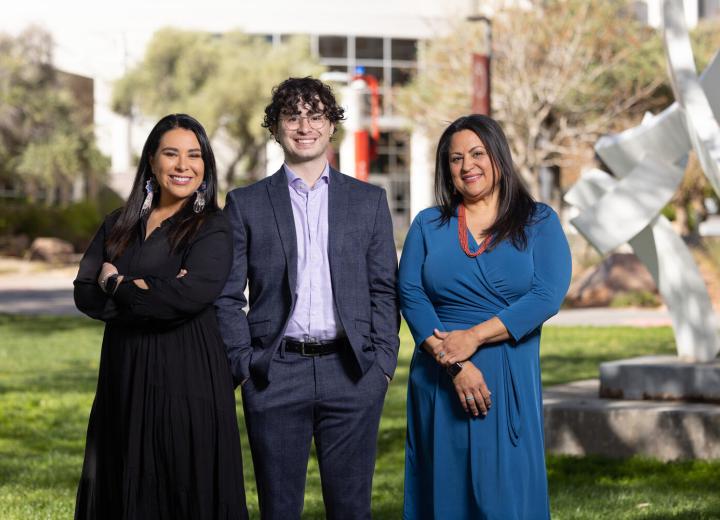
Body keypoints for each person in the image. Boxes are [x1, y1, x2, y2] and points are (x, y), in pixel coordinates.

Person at [215, 76, 399, 520]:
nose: (304, 125)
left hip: (353, 373)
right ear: (276, 127)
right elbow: (226, 295)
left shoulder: (368, 201)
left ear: (332, 125)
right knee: (279, 510)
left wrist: (383, 369)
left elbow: (383, 289)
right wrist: (245, 366)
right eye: (292, 116)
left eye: (316, 115)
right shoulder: (246, 204)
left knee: (352, 510)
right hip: (275, 375)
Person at [73, 114, 248, 520]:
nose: (183, 165)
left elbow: (190, 296)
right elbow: (84, 290)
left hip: (188, 372)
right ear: (152, 160)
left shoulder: (212, 227)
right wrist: (151, 288)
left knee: (181, 478)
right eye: (171, 153)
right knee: (121, 473)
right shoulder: (118, 223)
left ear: (206, 166)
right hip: (124, 371)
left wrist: (118, 284)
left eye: (194, 155)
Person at [399, 114, 571, 519]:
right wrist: (455, 361)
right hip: (439, 370)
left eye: (477, 153)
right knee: (443, 486)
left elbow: (547, 295)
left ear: (498, 157)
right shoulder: (428, 224)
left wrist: (474, 338)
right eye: (455, 159)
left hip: (506, 369)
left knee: (505, 492)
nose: (467, 166)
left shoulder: (539, 221)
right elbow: (410, 293)